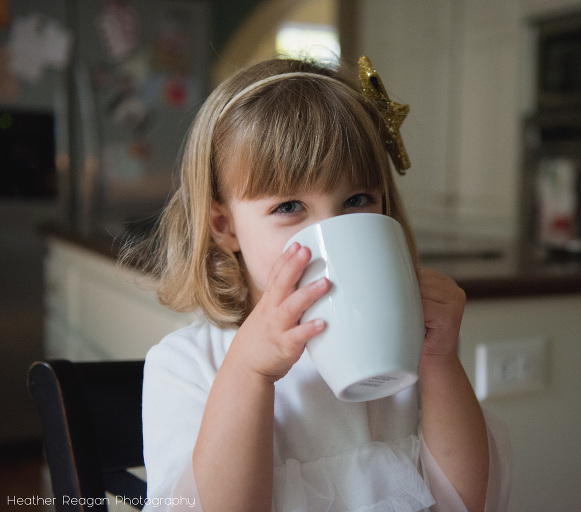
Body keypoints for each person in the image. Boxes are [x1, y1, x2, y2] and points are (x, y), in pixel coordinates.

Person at [123, 55, 511, 512]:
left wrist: (441, 361)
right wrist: (249, 372)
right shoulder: (187, 364)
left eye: (356, 199)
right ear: (224, 227)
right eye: (289, 207)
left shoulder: (407, 348)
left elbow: (465, 503)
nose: (330, 231)